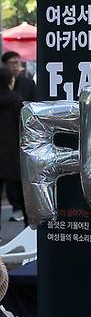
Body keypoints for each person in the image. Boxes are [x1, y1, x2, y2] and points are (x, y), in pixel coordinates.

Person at [0, 65, 26, 223]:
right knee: (22, 194)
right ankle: (29, 230)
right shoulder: (16, 100)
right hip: (14, 154)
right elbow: (23, 125)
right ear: (10, 81)